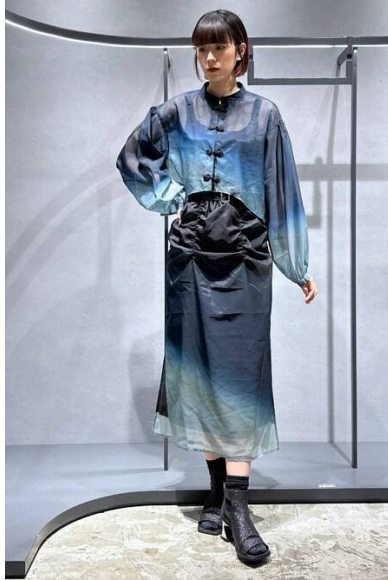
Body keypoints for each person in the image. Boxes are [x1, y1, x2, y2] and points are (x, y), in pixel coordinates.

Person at [116, 9, 318, 565]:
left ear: (240, 51)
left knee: (241, 376)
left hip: (245, 261)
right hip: (189, 262)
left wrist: (295, 264)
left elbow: (283, 189)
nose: (209, 58)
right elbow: (132, 159)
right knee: (198, 372)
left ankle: (238, 508)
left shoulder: (265, 116)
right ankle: (218, 495)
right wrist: (171, 199)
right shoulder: (177, 111)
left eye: (219, 48)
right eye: (201, 49)